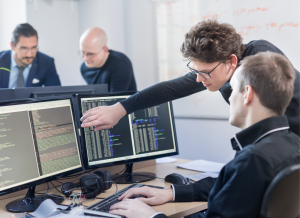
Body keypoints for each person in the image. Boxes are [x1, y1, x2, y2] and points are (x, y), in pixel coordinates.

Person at [108, 51, 300, 218]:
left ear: (247, 94)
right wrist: (173, 192)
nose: (229, 97)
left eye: (232, 89)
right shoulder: (292, 145)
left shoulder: (252, 161)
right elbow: (234, 186)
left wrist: (151, 215)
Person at [80, 19, 300, 136]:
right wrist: (120, 109)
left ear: (231, 62)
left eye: (204, 73)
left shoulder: (260, 61)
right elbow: (172, 88)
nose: (198, 80)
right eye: (196, 71)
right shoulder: (218, 71)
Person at [0, 23, 61, 88]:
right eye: (24, 48)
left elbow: (56, 94)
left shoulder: (46, 63)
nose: (29, 54)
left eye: (33, 48)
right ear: (12, 46)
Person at [79, 27, 137, 92]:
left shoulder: (121, 64)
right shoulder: (84, 68)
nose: (85, 58)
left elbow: (116, 100)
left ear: (105, 50)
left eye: (91, 54)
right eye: (83, 52)